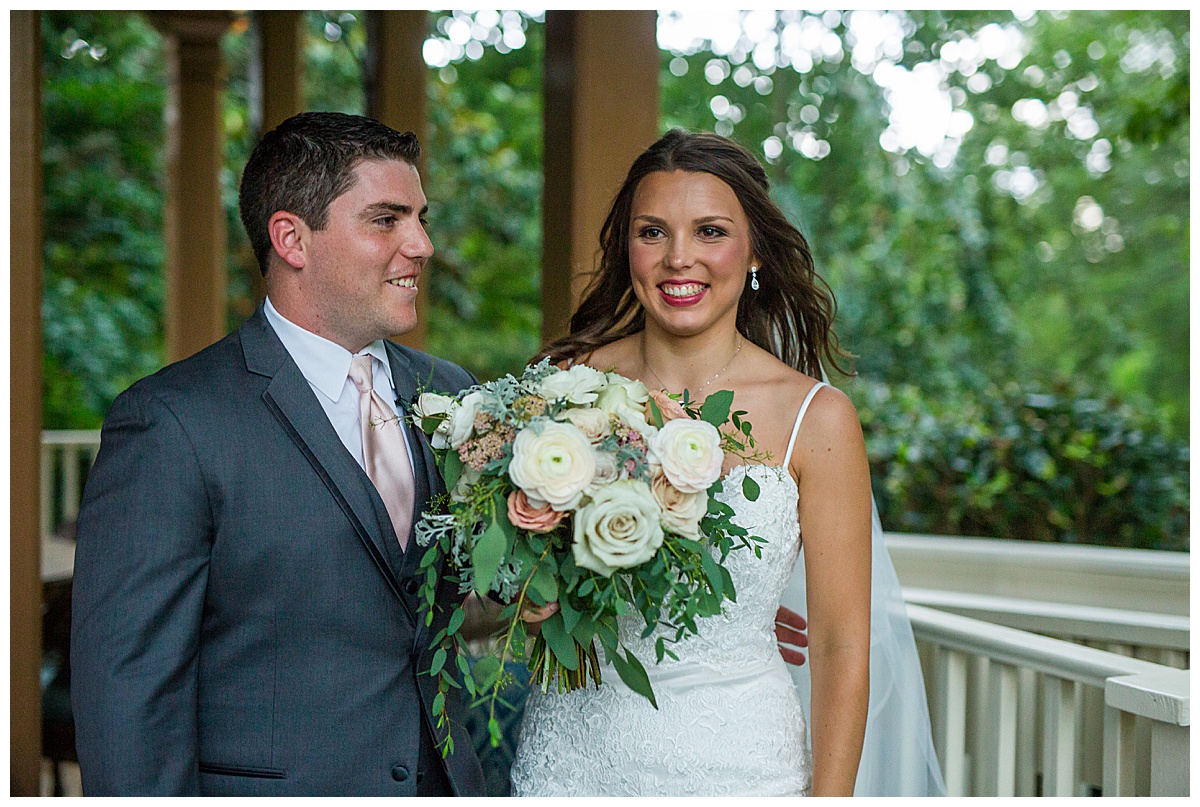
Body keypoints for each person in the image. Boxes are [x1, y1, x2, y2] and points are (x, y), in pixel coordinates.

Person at [509, 129, 944, 796]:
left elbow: (837, 643)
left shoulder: (817, 419)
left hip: (741, 767)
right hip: (570, 761)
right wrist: (522, 591)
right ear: (627, 248)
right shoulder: (565, 385)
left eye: (710, 231)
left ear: (754, 252)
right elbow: (500, 574)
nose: (678, 258)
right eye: (652, 232)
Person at [70, 112, 485, 796]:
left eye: (421, 217)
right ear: (291, 237)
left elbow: (482, 593)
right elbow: (129, 691)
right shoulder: (171, 422)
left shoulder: (450, 393)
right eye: (387, 219)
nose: (422, 244)